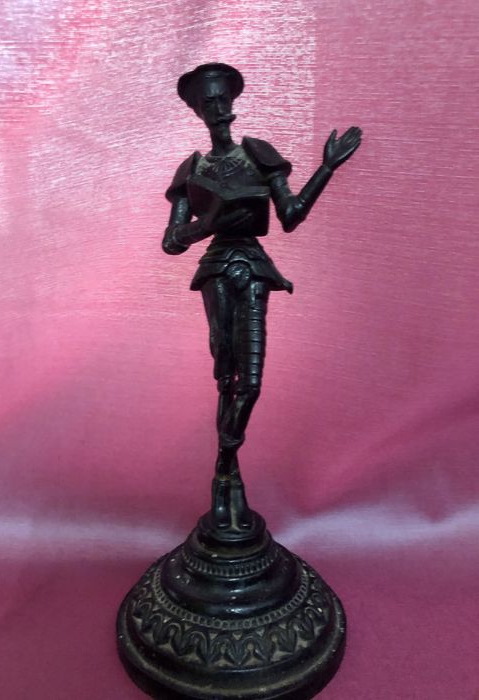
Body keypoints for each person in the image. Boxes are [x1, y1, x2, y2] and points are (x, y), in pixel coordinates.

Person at [162, 63, 362, 530]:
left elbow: (290, 214)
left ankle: (225, 463)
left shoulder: (257, 153)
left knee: (250, 381)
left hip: (253, 266)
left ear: (232, 101)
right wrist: (210, 223)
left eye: (222, 97)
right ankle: (227, 482)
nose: (218, 107)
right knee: (224, 373)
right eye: (208, 101)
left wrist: (327, 168)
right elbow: (171, 241)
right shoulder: (191, 169)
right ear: (197, 110)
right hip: (216, 268)